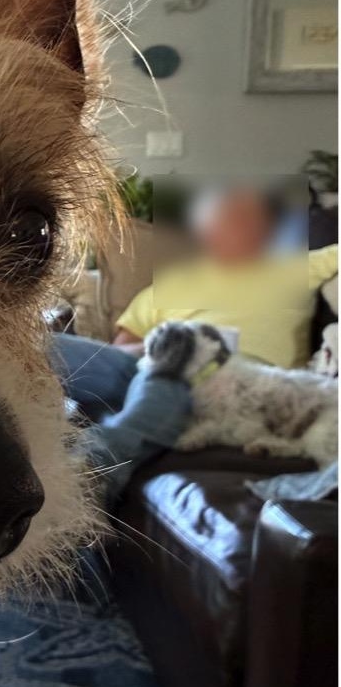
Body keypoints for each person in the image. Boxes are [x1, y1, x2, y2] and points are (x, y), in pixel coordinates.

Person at [54, 185, 339, 505]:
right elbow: (119, 354)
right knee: (42, 346)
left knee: (187, 338)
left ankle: (97, 468)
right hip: (149, 368)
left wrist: (183, 349)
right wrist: (165, 354)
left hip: (235, 376)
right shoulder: (166, 288)